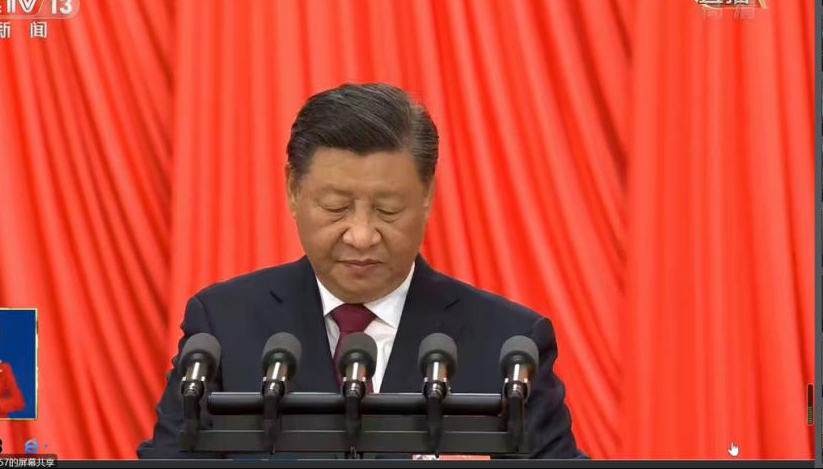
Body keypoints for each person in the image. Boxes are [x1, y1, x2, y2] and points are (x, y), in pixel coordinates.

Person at [138, 83, 583, 458]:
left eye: (388, 210)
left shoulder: (510, 344)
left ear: (427, 194)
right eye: (337, 207)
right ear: (293, 189)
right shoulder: (222, 326)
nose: (362, 235)